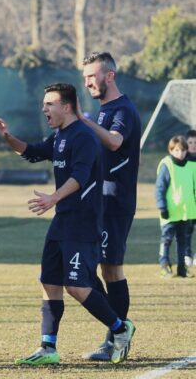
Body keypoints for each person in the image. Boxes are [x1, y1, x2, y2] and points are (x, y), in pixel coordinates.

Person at [0, 83, 136, 365]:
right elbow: (32, 152)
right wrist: (9, 137)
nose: (44, 109)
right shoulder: (60, 135)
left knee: (77, 287)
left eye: (50, 104)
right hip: (63, 222)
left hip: (82, 223)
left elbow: (81, 176)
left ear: (66, 107)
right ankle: (48, 347)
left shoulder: (83, 137)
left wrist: (52, 198)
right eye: (44, 103)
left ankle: (121, 329)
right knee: (49, 281)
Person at [79, 51, 141, 361]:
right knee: (88, 267)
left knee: (111, 269)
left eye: (92, 76)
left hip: (116, 200)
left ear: (110, 76)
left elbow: (115, 142)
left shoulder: (123, 110)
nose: (88, 82)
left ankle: (117, 336)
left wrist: (82, 120)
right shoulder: (103, 110)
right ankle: (119, 329)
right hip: (98, 200)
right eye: (85, 77)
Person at [155, 136, 196, 278]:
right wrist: (162, 207)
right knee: (166, 240)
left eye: (183, 150)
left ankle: (182, 268)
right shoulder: (167, 165)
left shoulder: (190, 165)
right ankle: (164, 265)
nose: (180, 153)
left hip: (185, 213)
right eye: (177, 150)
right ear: (170, 150)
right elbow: (160, 188)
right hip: (170, 212)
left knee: (183, 242)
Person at [184, 129, 196, 267]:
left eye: (195, 142)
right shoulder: (182, 160)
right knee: (186, 231)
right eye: (190, 142)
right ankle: (186, 254)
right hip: (186, 203)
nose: (193, 145)